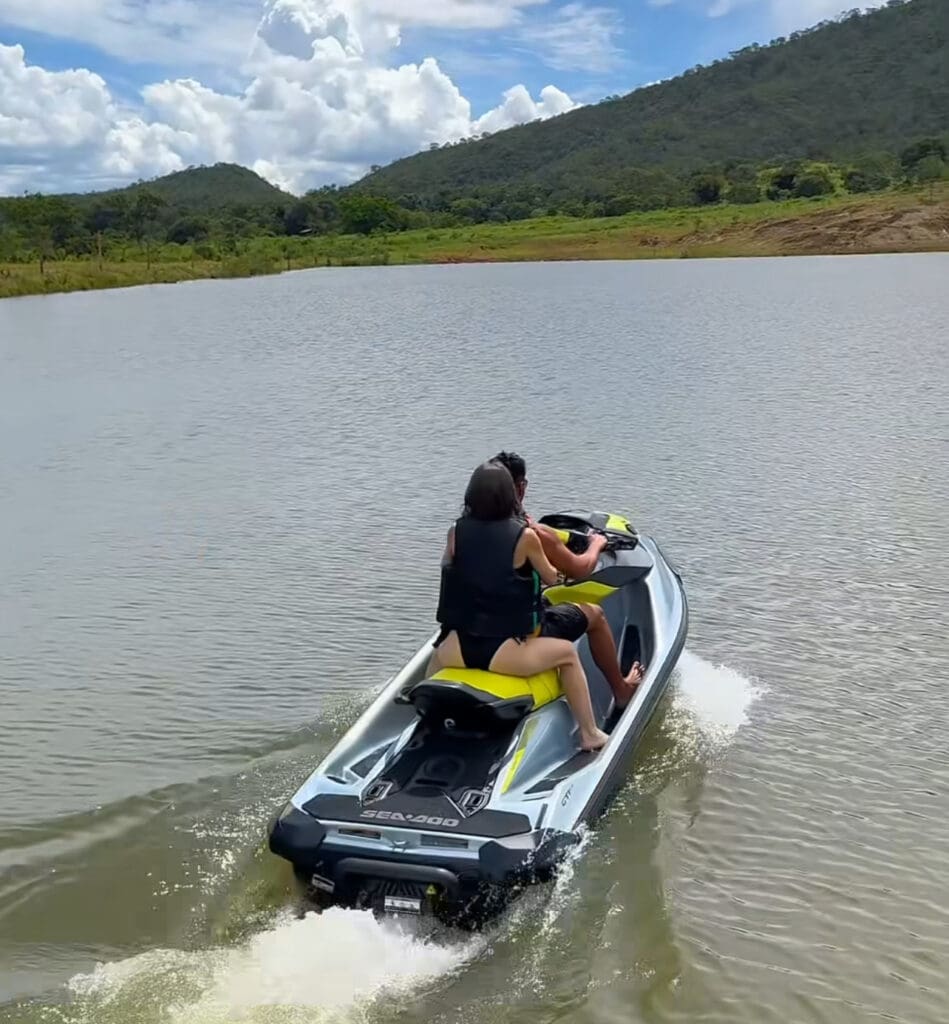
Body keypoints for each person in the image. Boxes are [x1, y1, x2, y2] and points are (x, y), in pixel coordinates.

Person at [430, 461, 609, 752]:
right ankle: (590, 734)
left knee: (434, 662)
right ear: (511, 496)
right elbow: (551, 577)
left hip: (454, 649)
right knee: (566, 655)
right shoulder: (525, 536)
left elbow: (450, 569)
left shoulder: (455, 532)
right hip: (505, 652)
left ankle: (424, 727)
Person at [491, 451, 644, 707]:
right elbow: (580, 569)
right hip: (519, 635)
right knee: (595, 615)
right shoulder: (532, 534)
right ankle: (621, 690)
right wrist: (595, 544)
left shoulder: (466, 531)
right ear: (521, 488)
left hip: (478, 629)